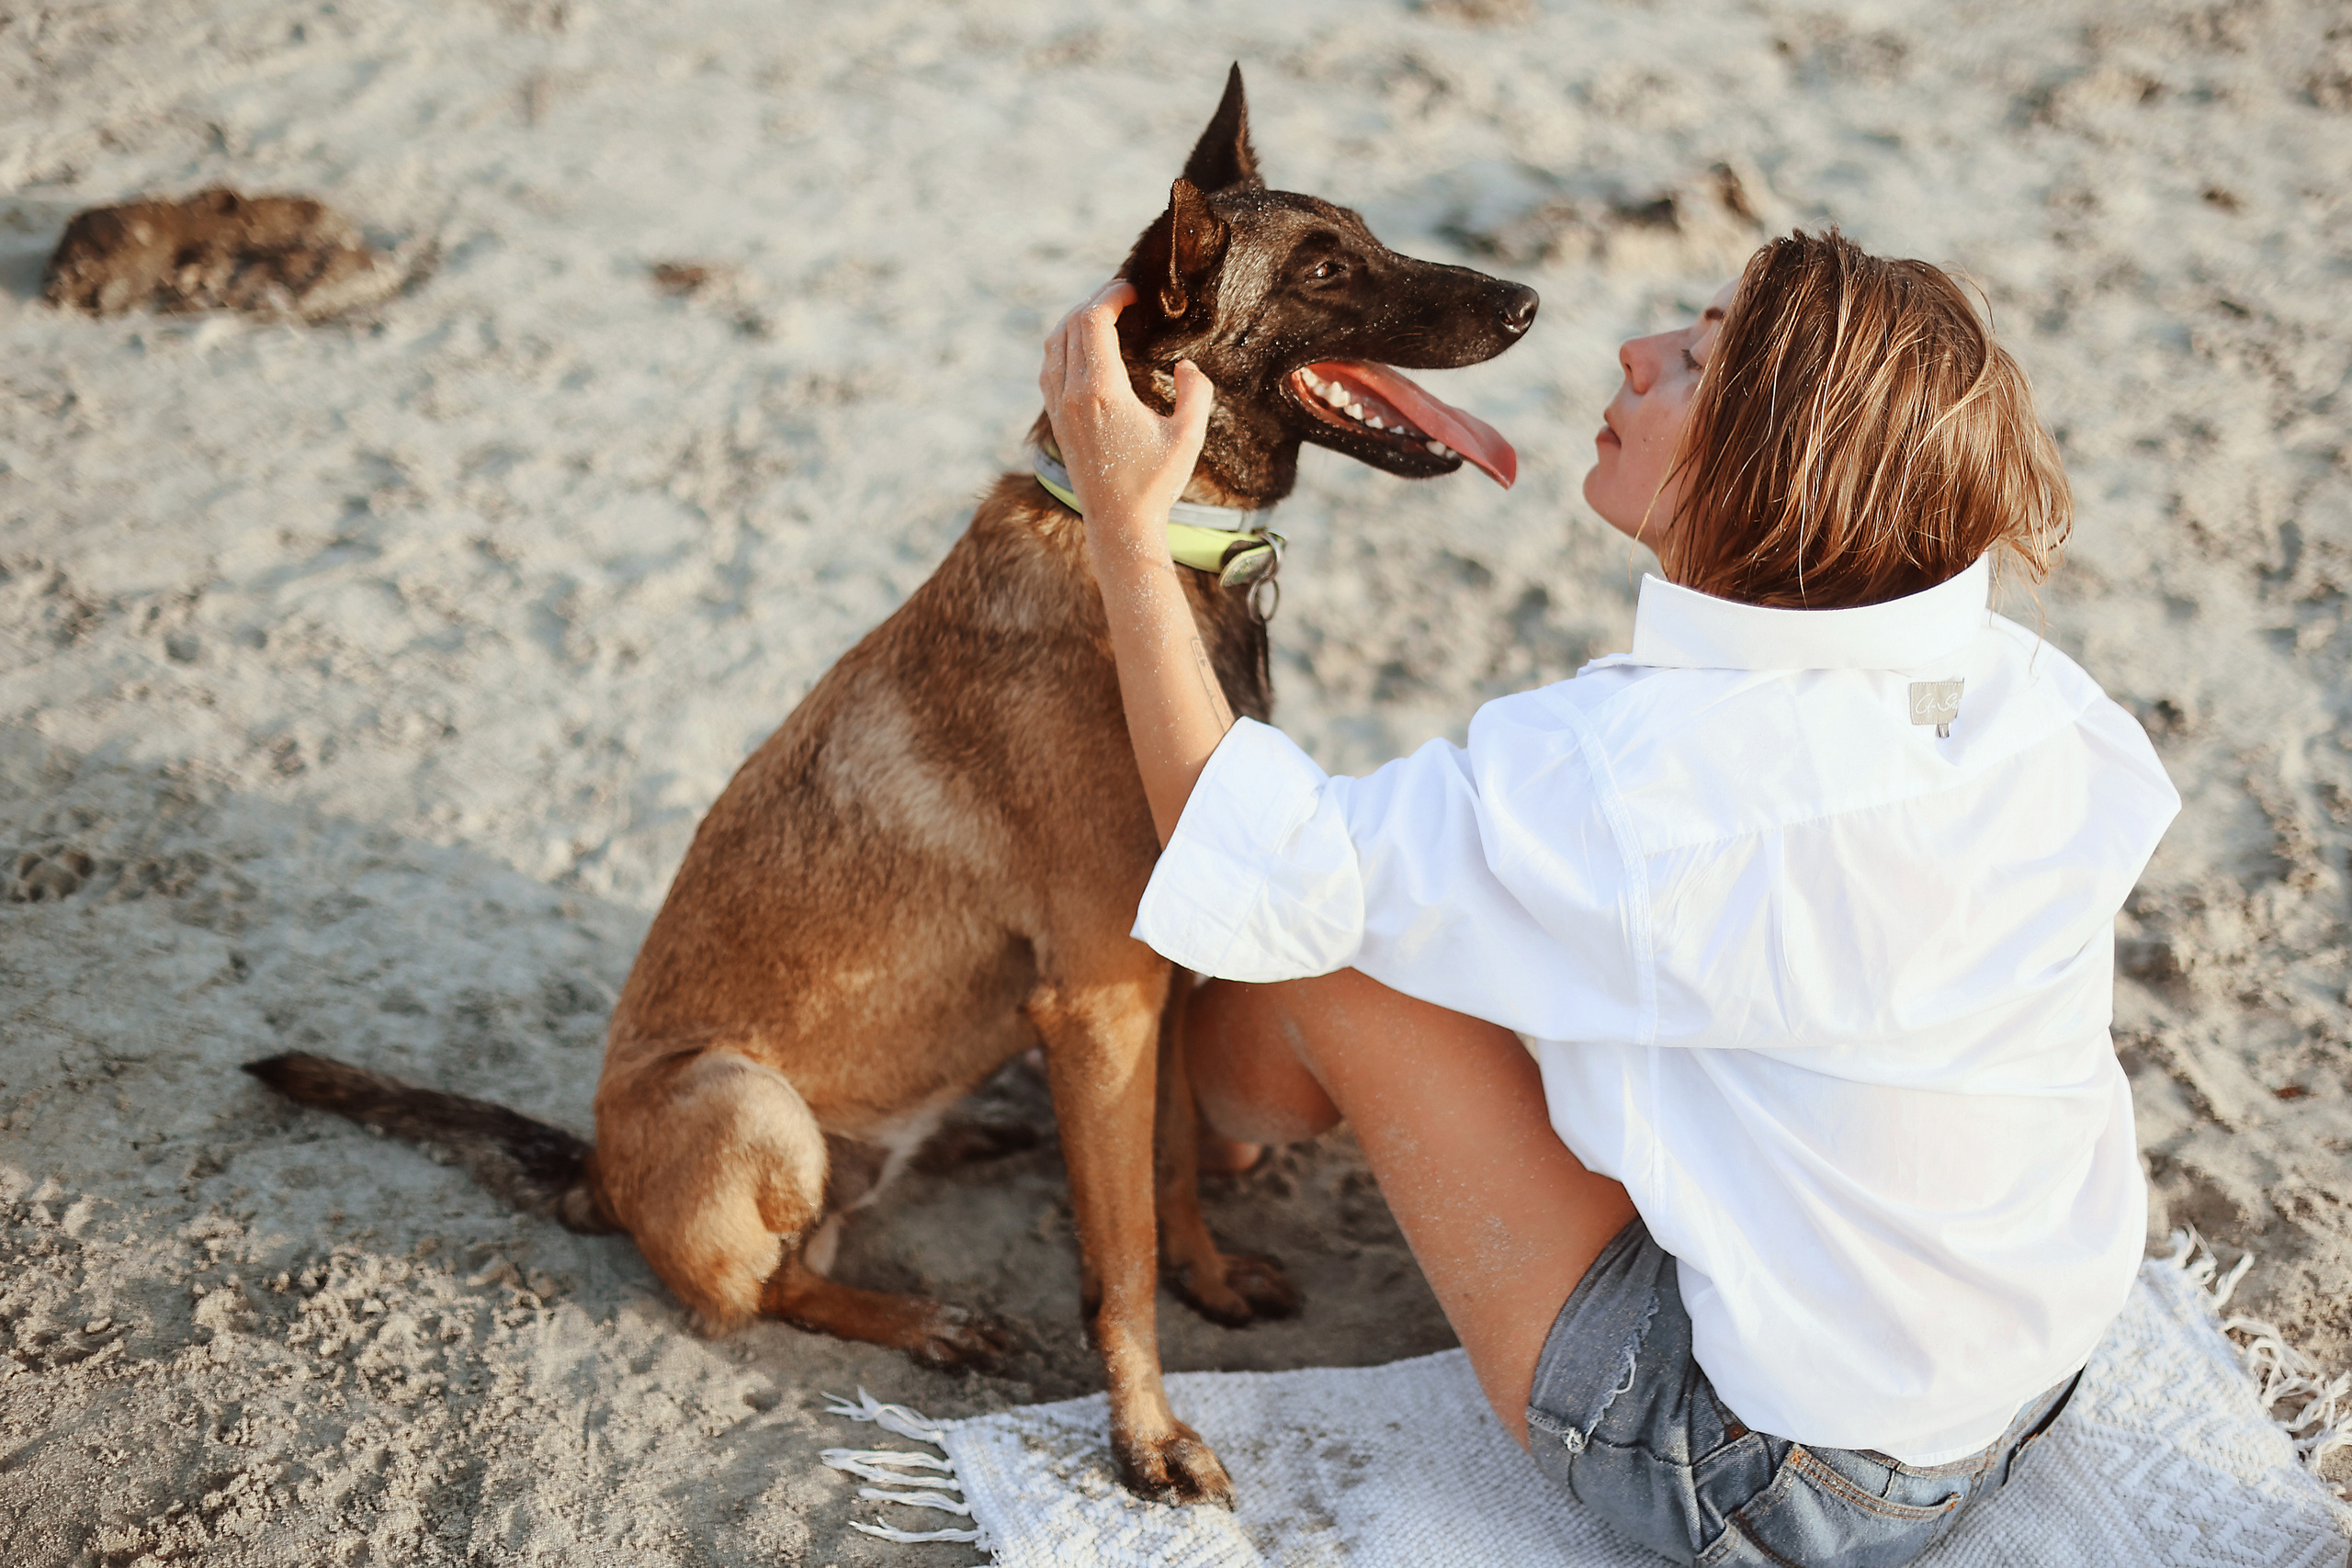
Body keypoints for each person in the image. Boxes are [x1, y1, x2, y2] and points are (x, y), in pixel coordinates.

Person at [1037, 229, 2177, 1567]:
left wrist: (1123, 525)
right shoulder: (2028, 695)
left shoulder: (1646, 782)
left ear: (1763, 468)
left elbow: (1258, 863)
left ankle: (1222, 1130)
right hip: (2027, 1370)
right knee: (1466, 896)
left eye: (1692, 359)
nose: (1634, 356)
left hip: (1774, 1473)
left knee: (1325, 925)